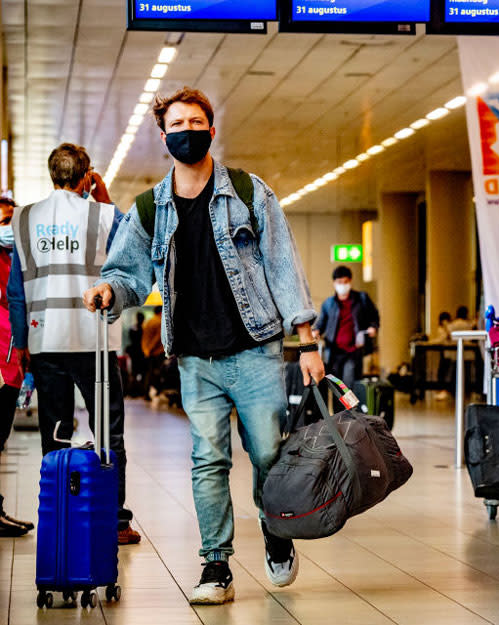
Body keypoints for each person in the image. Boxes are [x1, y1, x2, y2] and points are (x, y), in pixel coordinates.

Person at [83, 87, 325, 605]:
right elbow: (127, 273)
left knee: (266, 453)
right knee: (207, 460)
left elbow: (284, 267)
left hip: (255, 349)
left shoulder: (248, 192)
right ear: (164, 135)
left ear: (212, 131)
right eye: (177, 124)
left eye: (197, 122)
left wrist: (307, 340)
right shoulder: (151, 207)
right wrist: (110, 289)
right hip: (195, 358)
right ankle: (216, 564)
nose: (187, 131)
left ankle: (277, 533)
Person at [7, 143, 140, 545]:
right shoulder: (102, 214)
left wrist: (23, 340)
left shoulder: (24, 218)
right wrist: (101, 195)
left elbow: (16, 289)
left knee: (56, 431)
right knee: (109, 432)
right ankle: (115, 521)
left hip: (45, 339)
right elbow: (130, 249)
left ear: (52, 175)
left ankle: (60, 512)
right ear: (85, 177)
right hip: (93, 340)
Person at [0, 195, 33, 537]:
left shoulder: (15, 258)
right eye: (2, 222)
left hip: (10, 361)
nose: (8, 228)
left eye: (11, 220)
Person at [313, 266, 379, 389]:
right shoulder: (328, 304)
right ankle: (340, 409)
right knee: (336, 386)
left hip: (353, 351)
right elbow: (321, 323)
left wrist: (373, 327)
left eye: (345, 282)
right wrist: (316, 331)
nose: (342, 285)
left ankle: (348, 409)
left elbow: (374, 316)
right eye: (339, 282)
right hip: (333, 353)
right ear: (334, 283)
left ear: (350, 281)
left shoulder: (362, 299)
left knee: (348, 385)